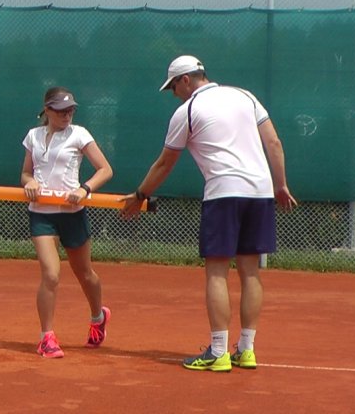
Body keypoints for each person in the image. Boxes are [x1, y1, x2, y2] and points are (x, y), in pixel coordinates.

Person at [120, 55, 297, 372]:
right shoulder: (245, 96)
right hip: (260, 192)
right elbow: (274, 142)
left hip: (223, 194)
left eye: (173, 86)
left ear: (186, 80)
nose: (174, 93)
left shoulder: (186, 110)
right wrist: (280, 185)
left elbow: (164, 164)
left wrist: (140, 195)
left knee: (216, 271)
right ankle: (247, 349)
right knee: (250, 271)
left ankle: (218, 352)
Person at [21, 86, 114, 359]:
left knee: (85, 273)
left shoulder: (80, 134)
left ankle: (98, 317)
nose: (67, 115)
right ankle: (46, 337)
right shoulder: (33, 137)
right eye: (61, 111)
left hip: (73, 214)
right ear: (47, 111)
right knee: (50, 273)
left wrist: (85, 189)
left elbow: (105, 169)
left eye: (70, 110)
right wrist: (30, 183)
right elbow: (26, 174)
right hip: (41, 214)